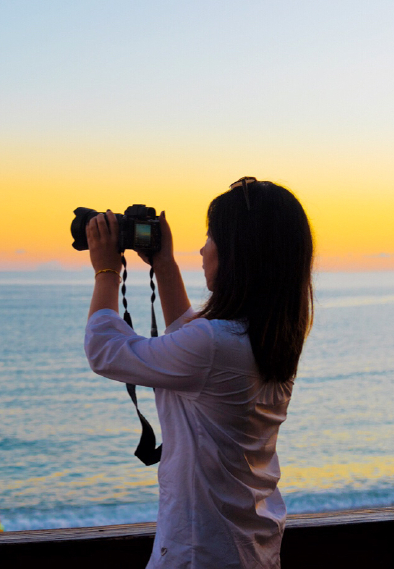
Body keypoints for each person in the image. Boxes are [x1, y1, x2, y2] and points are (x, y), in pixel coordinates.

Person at [84, 177, 313, 568]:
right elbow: (196, 344)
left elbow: (104, 350)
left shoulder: (214, 345)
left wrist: (107, 270)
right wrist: (164, 264)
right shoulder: (270, 334)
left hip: (199, 553)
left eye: (211, 237)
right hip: (250, 545)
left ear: (237, 254)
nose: (202, 249)